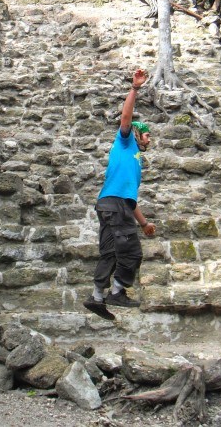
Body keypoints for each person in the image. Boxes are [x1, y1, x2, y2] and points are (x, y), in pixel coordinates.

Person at [84, 68, 157, 320]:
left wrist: (144, 223)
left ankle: (96, 298)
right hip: (114, 206)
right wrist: (135, 88)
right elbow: (126, 118)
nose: (149, 139)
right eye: (147, 134)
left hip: (112, 204)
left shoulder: (136, 162)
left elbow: (130, 199)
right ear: (137, 134)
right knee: (132, 252)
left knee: (111, 252)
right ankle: (116, 292)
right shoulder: (126, 142)